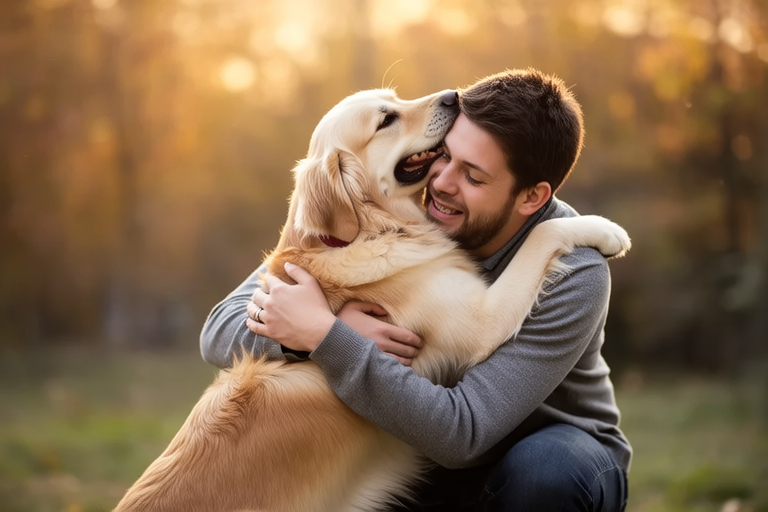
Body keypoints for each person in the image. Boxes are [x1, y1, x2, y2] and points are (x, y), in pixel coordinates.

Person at [200, 68, 631, 511]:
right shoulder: (394, 212)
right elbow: (219, 328)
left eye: (473, 177)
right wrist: (314, 331)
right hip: (423, 448)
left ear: (531, 198)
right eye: (444, 155)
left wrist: (329, 338)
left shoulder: (576, 268)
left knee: (543, 472)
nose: (441, 183)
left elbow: (464, 433)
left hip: (539, 446)